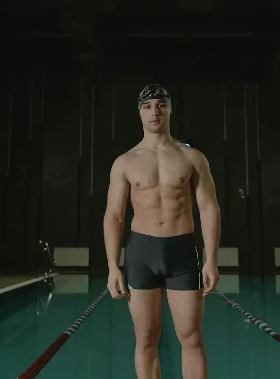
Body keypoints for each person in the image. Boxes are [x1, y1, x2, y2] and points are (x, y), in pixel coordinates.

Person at [103, 84, 221, 379]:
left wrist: (211, 260)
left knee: (191, 337)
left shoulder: (192, 157)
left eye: (160, 105)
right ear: (139, 113)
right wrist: (112, 266)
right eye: (147, 106)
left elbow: (209, 208)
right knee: (145, 340)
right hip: (141, 252)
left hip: (182, 250)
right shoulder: (125, 162)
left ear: (169, 109)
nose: (154, 111)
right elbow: (114, 216)